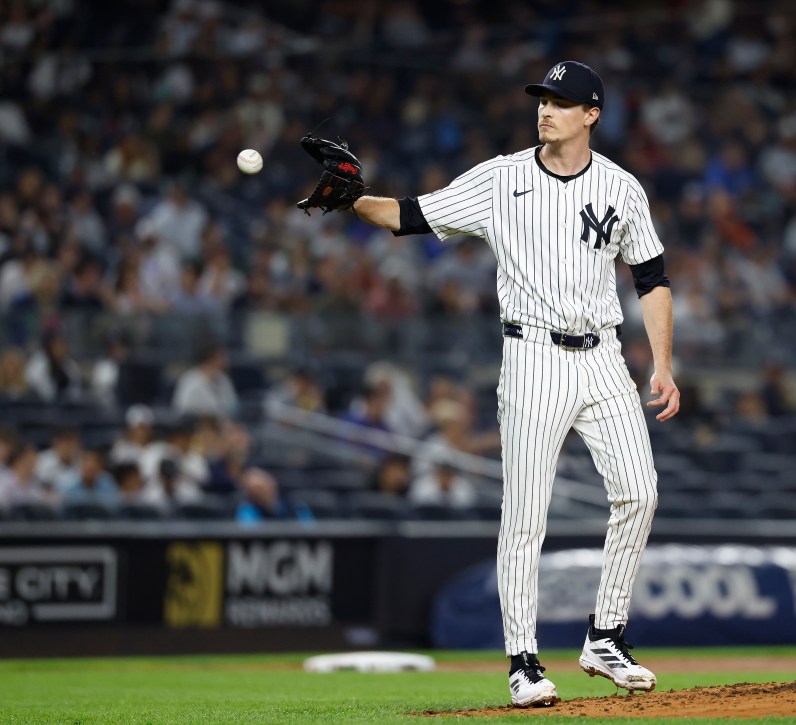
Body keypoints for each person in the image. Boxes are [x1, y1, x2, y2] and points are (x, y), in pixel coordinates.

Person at [325, 61, 679, 706]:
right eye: (543, 99)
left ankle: (606, 636)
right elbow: (407, 216)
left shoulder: (622, 188)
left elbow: (652, 279)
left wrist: (662, 363)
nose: (546, 109)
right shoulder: (501, 177)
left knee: (641, 493)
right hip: (533, 358)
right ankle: (523, 662)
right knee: (525, 514)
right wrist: (353, 198)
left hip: (604, 358)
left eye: (562, 102)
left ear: (591, 115)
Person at [171, 343, 238, 419]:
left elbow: (233, 407)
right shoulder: (190, 381)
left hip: (223, 426)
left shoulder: (224, 380)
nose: (227, 360)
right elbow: (181, 411)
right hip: (197, 427)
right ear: (211, 358)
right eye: (222, 356)